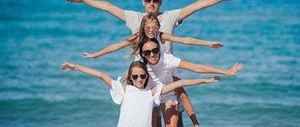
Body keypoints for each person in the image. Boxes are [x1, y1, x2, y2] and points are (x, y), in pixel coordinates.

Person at [65, 0, 244, 126]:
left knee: (179, 94)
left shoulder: (170, 18)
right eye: (148, 0)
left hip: (166, 72)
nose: (152, 3)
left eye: (155, 1)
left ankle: (195, 123)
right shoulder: (135, 19)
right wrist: (82, 0)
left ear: (161, 2)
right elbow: (109, 8)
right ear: (143, 1)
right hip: (143, 76)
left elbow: (196, 8)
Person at [60, 61, 220, 127]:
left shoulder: (152, 92)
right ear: (130, 77)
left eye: (142, 76)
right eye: (135, 76)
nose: (139, 79)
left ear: (146, 77)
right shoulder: (124, 89)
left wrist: (204, 80)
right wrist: (77, 67)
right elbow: (101, 75)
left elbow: (180, 84)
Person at [138, 38, 244, 127]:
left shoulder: (168, 59)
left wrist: (226, 71)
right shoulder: (140, 65)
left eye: (155, 50)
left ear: (159, 50)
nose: (152, 54)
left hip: (168, 95)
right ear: (142, 54)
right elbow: (129, 81)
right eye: (147, 52)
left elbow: (196, 67)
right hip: (149, 96)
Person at [82, 12, 223, 59]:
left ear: (158, 27)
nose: (151, 30)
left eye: (154, 27)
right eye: (148, 27)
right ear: (143, 27)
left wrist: (208, 43)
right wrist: (95, 55)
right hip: (143, 70)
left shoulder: (161, 36)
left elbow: (184, 40)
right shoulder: (137, 37)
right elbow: (116, 46)